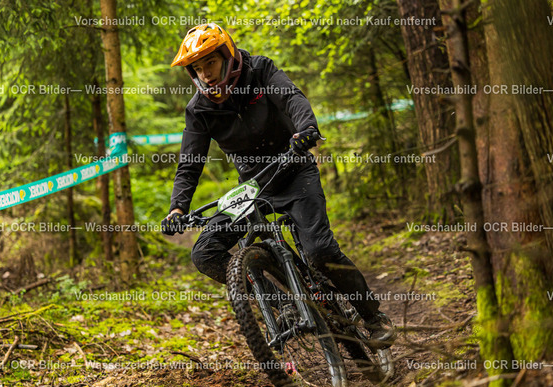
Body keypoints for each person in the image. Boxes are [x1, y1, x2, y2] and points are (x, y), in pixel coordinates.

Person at [161, 23, 394, 346]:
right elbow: (190, 163)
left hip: (294, 169)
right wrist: (177, 208)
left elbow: (292, 98)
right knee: (205, 252)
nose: (206, 75)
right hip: (252, 187)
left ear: (228, 56)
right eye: (198, 69)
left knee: (320, 250)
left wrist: (306, 129)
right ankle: (284, 301)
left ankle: (372, 317)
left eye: (210, 63)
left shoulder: (260, 70)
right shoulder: (199, 109)